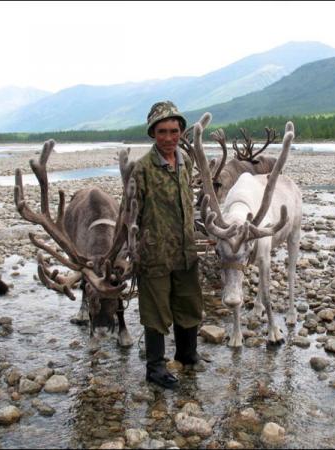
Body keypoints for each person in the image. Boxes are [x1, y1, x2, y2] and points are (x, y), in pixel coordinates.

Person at [133, 101, 203, 389]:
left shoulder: (185, 163)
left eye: (174, 131)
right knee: (156, 310)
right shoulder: (142, 170)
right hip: (155, 254)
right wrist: (132, 251)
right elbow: (131, 214)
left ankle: (187, 354)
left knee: (189, 302)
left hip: (186, 250)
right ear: (152, 133)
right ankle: (155, 368)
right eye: (162, 131)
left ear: (182, 132)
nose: (168, 137)